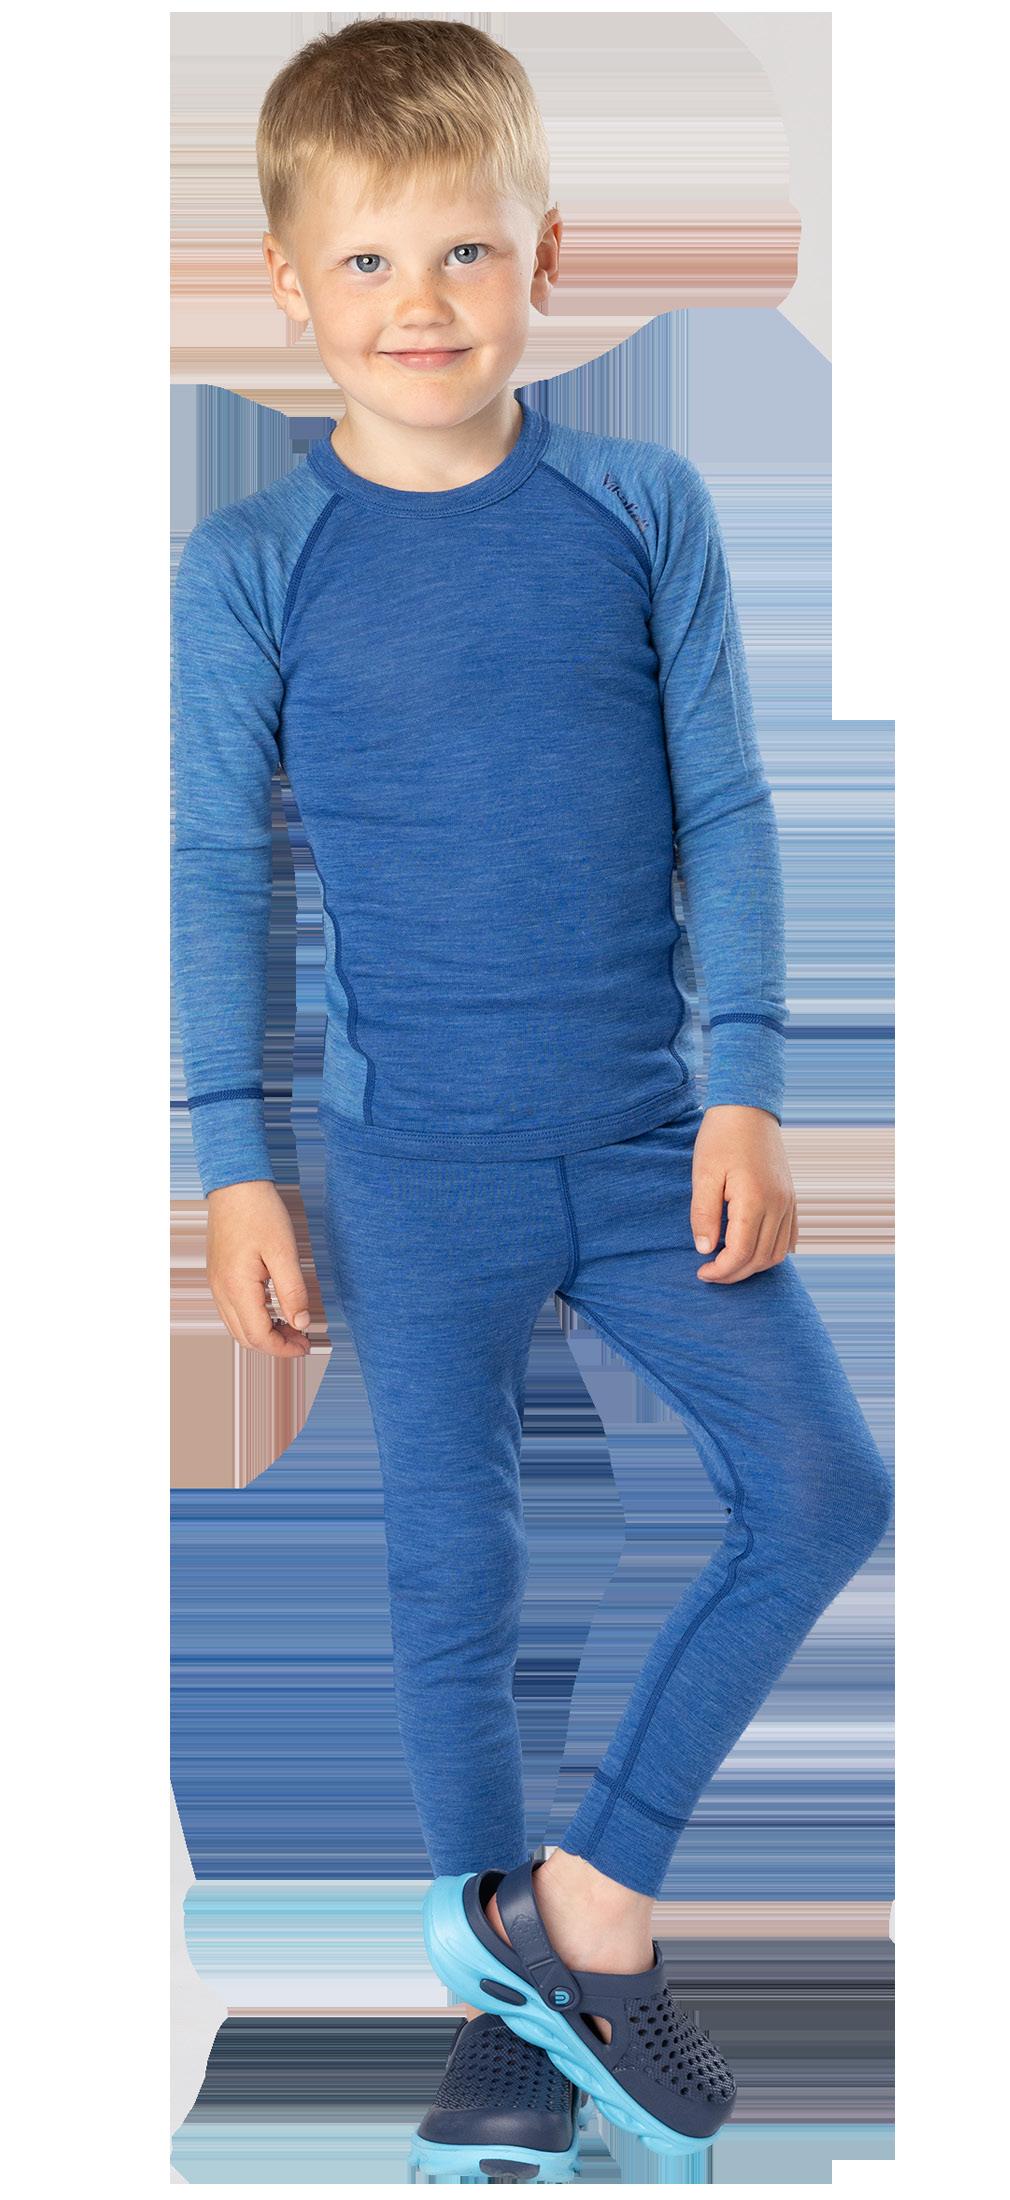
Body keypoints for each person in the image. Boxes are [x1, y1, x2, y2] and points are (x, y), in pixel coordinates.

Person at [171, 16, 893, 2171]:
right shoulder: (252, 565)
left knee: (822, 1490)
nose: (421, 305)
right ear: (285, 284)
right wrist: (233, 1160)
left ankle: (582, 1902)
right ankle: (508, 2029)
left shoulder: (640, 507)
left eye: (465, 252)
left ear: (545, 256)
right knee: (451, 1581)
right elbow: (217, 867)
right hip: (412, 1168)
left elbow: (729, 807)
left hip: (653, 1139)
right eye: (368, 262)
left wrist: (749, 1089)